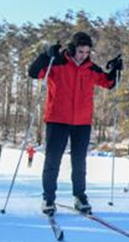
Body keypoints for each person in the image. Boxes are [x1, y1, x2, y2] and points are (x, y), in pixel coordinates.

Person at [28, 32, 122, 215]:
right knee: (52, 160)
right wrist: (46, 54)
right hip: (57, 119)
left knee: (79, 162)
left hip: (82, 122)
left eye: (87, 52)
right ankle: (48, 198)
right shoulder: (57, 63)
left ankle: (80, 196)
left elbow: (109, 83)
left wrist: (116, 69)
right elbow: (33, 72)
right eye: (80, 51)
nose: (83, 55)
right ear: (72, 49)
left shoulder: (91, 69)